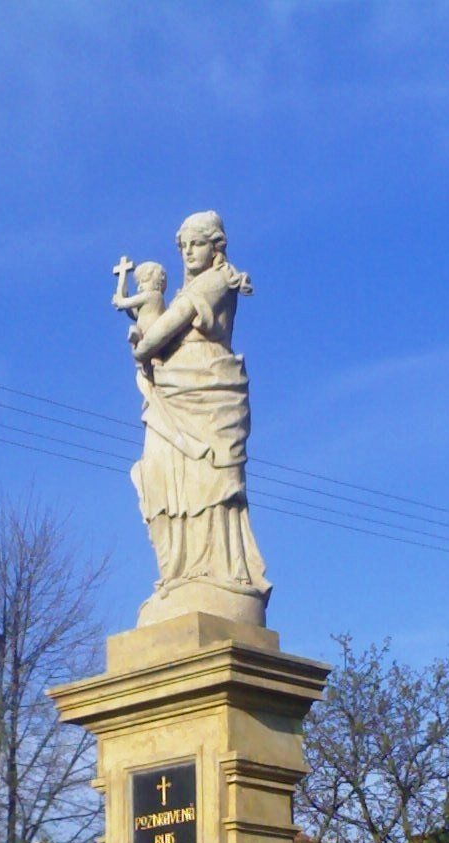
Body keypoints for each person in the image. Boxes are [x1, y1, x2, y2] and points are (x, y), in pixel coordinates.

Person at [118, 210, 271, 624]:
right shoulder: (188, 289)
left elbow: (152, 340)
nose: (188, 252)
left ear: (216, 246)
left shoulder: (215, 283)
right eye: (183, 245)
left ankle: (219, 574)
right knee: (162, 480)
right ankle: (178, 574)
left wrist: (145, 327)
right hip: (171, 398)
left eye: (197, 243)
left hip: (209, 395)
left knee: (210, 485)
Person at [112, 261, 167, 344]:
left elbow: (125, 303)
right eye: (138, 283)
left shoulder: (152, 295)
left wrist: (120, 301)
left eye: (144, 281)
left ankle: (136, 334)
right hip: (144, 331)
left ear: (157, 282)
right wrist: (124, 295)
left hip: (151, 328)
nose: (140, 286)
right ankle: (136, 335)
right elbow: (133, 314)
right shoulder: (145, 302)